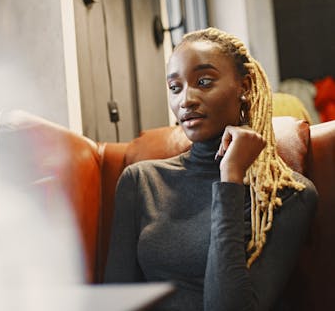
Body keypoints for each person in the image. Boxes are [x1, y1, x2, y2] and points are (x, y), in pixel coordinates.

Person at [103, 27, 318, 311]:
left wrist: (230, 179)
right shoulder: (141, 180)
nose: (185, 100)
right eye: (175, 87)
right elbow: (115, 300)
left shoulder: (285, 194)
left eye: (204, 82)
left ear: (244, 87)